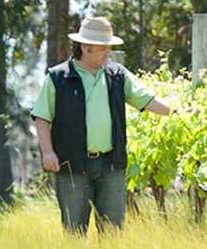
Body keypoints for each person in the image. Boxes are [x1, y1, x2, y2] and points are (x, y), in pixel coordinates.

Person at [31, 16, 173, 235]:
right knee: (74, 234)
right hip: (72, 167)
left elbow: (146, 99)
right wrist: (48, 152)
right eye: (103, 49)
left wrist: (175, 111)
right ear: (86, 47)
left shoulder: (117, 75)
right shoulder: (58, 78)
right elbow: (42, 117)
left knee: (112, 233)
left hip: (111, 166)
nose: (108, 53)